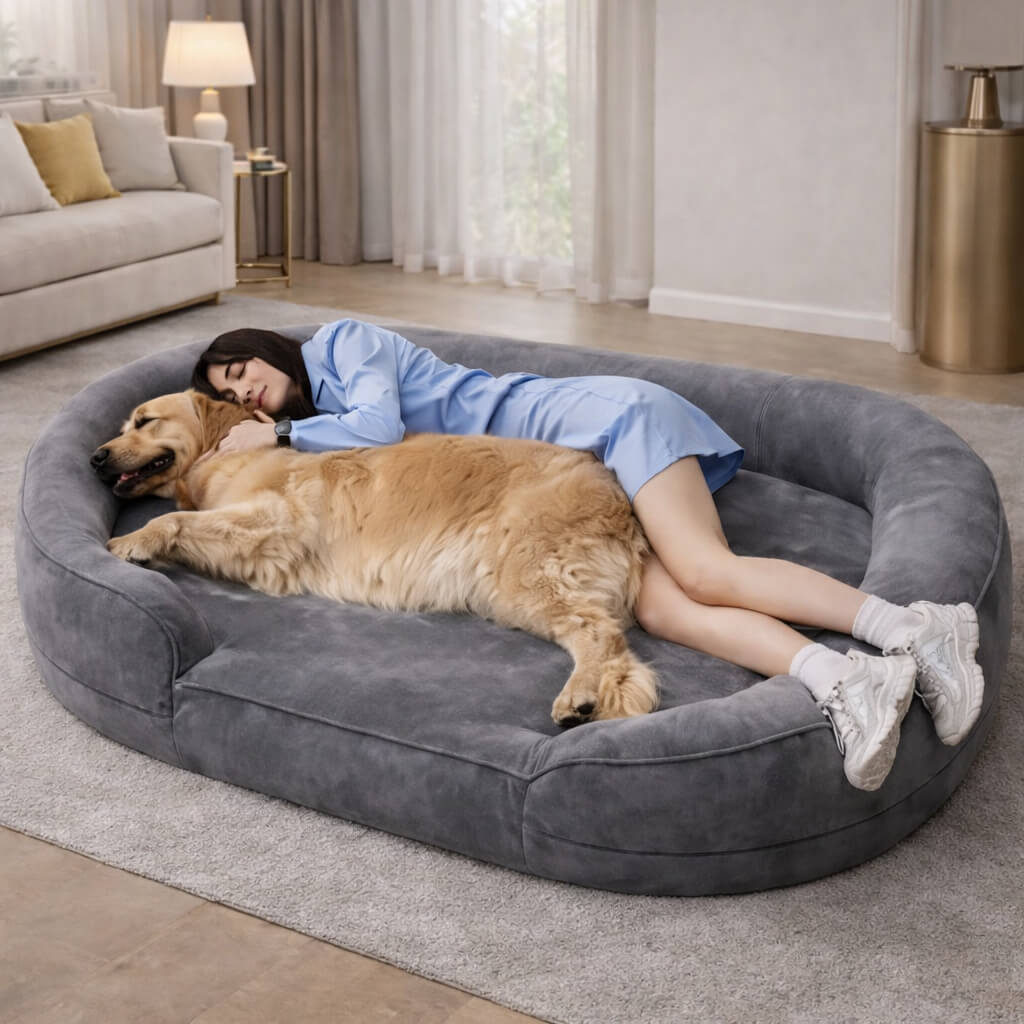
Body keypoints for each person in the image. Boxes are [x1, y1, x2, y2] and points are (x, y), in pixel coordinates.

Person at [191, 318, 985, 791]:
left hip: (601, 423)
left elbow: (381, 428)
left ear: (266, 348)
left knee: (706, 569)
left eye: (241, 371)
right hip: (569, 478)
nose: (245, 392)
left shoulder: (340, 344)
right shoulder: (325, 407)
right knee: (660, 608)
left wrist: (282, 435)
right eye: (229, 395)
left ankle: (915, 628)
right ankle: (845, 679)